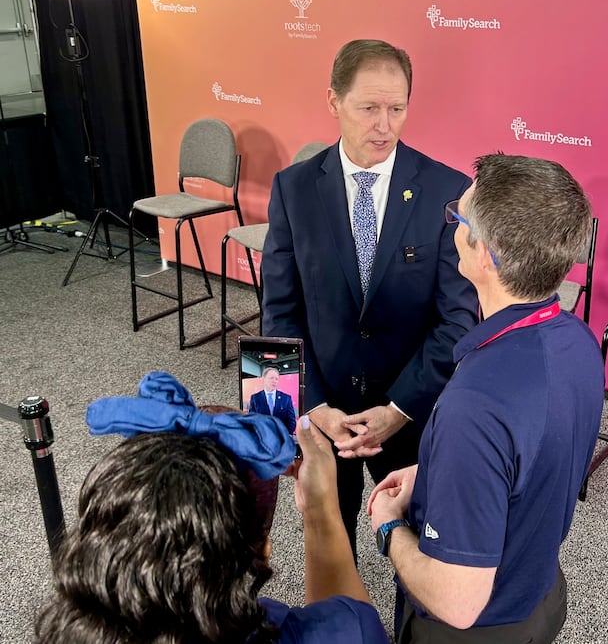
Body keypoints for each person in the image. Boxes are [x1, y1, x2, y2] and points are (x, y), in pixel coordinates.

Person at [367, 154, 605, 643]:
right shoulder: (578, 341)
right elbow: (532, 458)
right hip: (539, 597)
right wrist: (434, 470)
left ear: (485, 253)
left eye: (459, 216)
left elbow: (456, 601)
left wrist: (389, 528)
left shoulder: (474, 406)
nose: (452, 222)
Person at [261, 39, 478, 553]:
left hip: (413, 412)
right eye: (369, 108)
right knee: (330, 538)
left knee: (422, 543)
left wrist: (399, 408)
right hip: (325, 408)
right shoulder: (292, 190)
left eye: (397, 108)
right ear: (333, 102)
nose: (384, 125)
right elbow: (279, 312)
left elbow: (458, 322)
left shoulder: (448, 190)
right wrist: (312, 406)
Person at [34, 372, 389, 644]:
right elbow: (349, 620)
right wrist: (320, 511)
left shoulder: (68, 628)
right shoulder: (307, 631)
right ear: (260, 552)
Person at [249, 366, 297, 433]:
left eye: (276, 379)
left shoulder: (286, 398)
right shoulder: (255, 398)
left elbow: (291, 422)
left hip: (282, 438)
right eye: (271, 378)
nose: (274, 381)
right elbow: (252, 420)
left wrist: (284, 435)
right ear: (264, 379)